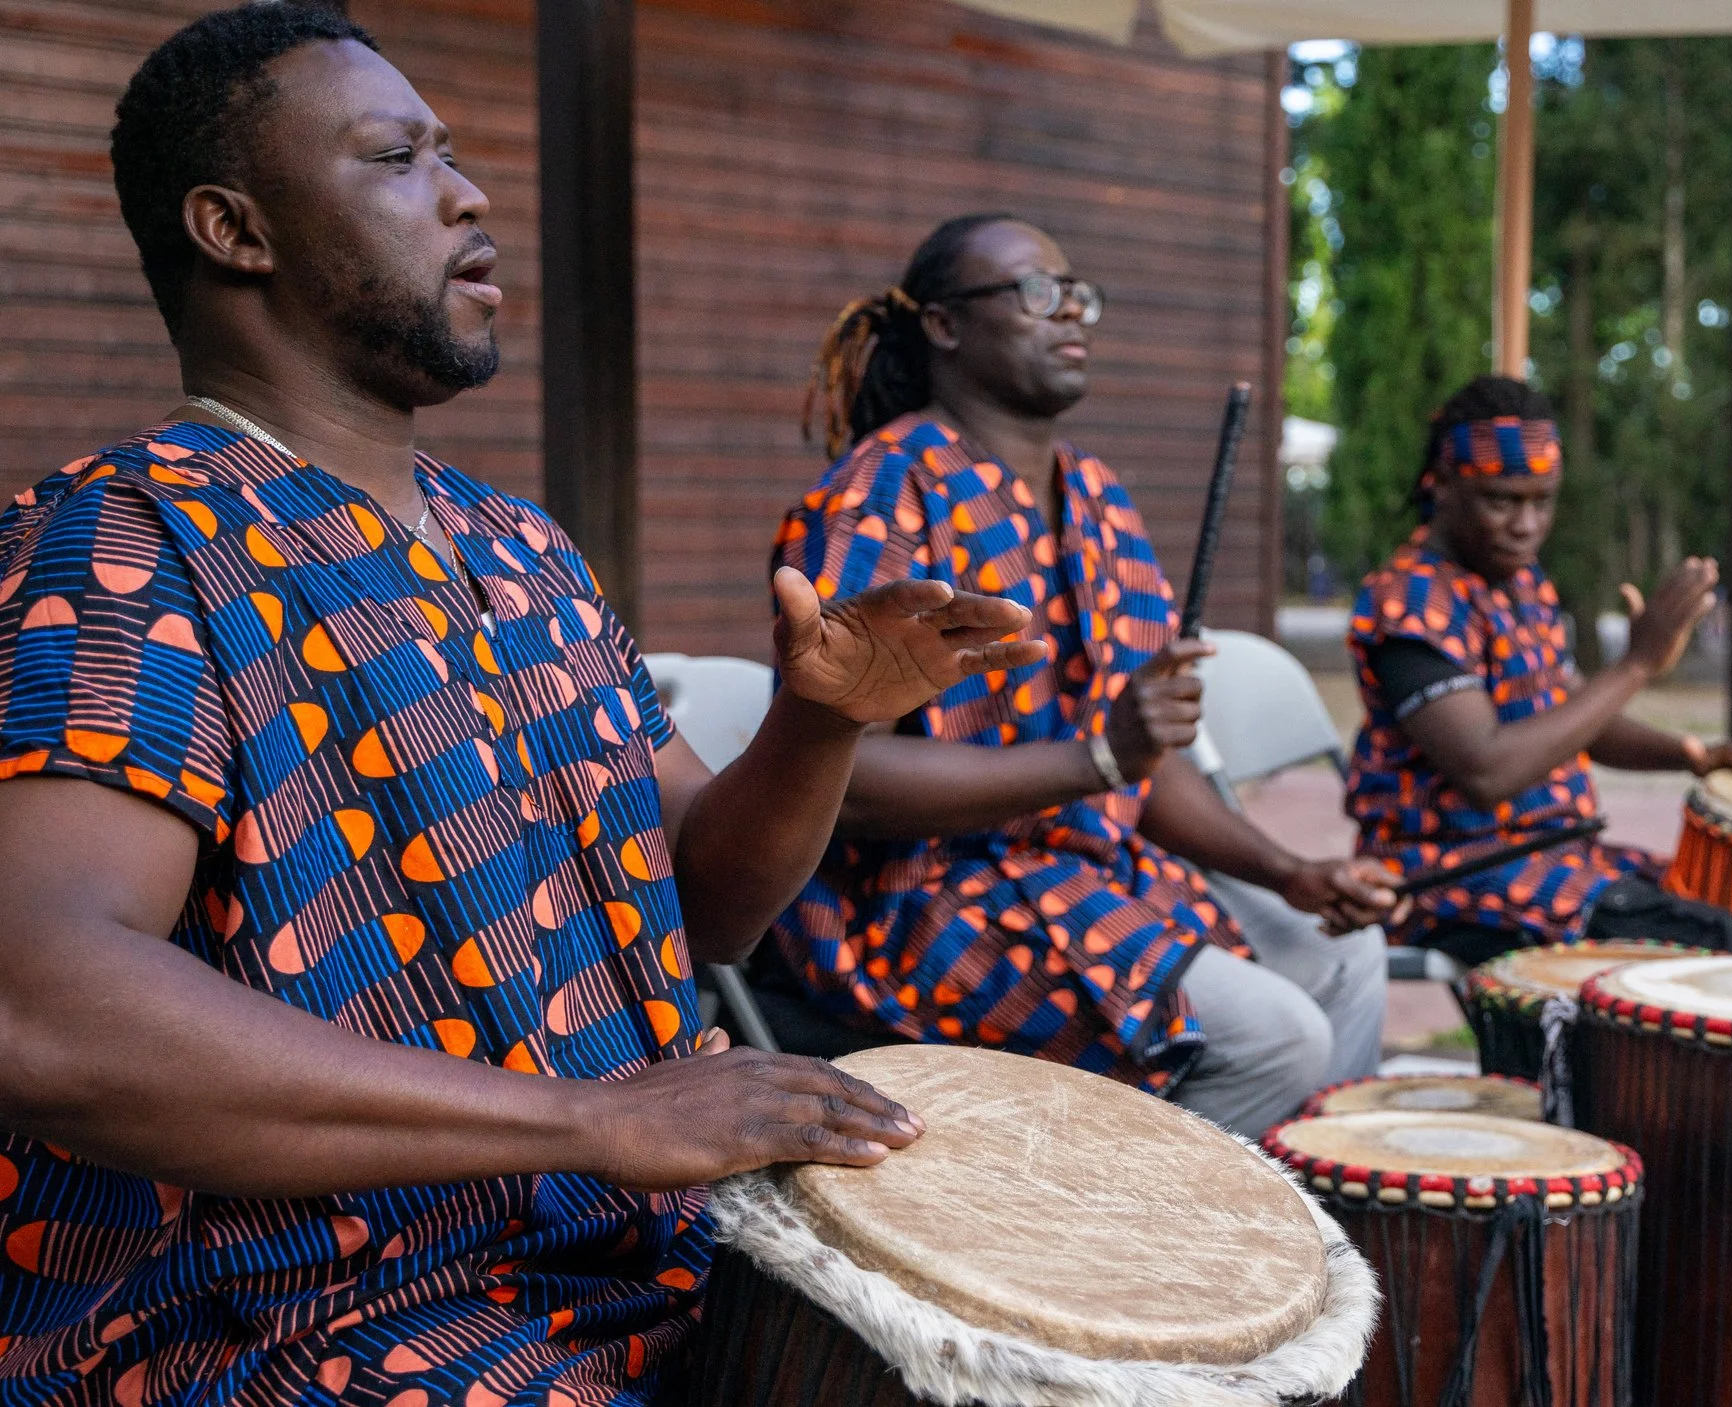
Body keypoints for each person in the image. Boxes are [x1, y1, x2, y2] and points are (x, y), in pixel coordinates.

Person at [0, 10, 1045, 1400]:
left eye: (452, 152)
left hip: (624, 1268)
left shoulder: (521, 547)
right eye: (398, 157)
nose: (469, 192)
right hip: (299, 1327)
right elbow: (45, 1007)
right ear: (234, 230)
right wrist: (587, 1119)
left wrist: (818, 726)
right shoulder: (123, 541)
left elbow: (702, 905)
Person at [772, 214, 1397, 1137]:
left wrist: (1289, 869)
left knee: (1347, 959)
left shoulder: (1100, 496)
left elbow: (1141, 759)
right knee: (1275, 1039)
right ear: (944, 324)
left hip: (1093, 874)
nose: (1070, 310)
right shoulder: (880, 495)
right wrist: (1100, 758)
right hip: (922, 900)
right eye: (1035, 291)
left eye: (1077, 293)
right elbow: (840, 778)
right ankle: (1146, 1229)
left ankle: (1305, 1220)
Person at [1344, 377, 1732, 964]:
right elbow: (1486, 770)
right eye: (1501, 501)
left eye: (1542, 500)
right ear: (1442, 486)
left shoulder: (1520, 580)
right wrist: (1637, 665)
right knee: (1717, 942)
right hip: (1449, 874)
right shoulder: (1410, 601)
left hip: (1554, 856)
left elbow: (1570, 718)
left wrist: (1693, 754)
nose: (1525, 525)